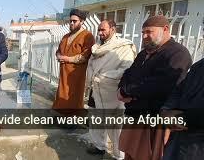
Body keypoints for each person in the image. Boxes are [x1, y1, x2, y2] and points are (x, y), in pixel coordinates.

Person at [117, 15, 192, 160]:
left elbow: (161, 85)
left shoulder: (178, 53)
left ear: (165, 29)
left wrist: (127, 91)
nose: (144, 36)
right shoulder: (143, 53)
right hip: (134, 115)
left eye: (149, 32)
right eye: (143, 32)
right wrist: (121, 88)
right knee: (130, 154)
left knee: (147, 156)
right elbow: (128, 73)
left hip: (153, 120)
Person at [86, 20, 136, 160]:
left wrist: (103, 77)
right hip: (94, 89)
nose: (100, 33)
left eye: (103, 30)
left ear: (113, 29)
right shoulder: (96, 47)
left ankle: (119, 155)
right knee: (95, 119)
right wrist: (92, 78)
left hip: (111, 92)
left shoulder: (123, 46)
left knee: (115, 127)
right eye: (99, 30)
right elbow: (90, 65)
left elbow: (126, 69)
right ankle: (99, 146)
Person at [52, 9, 95, 115]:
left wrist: (67, 59)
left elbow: (85, 55)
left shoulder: (87, 36)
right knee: (61, 97)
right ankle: (62, 119)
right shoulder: (65, 37)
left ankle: (72, 122)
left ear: (82, 21)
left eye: (74, 21)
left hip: (76, 76)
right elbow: (58, 51)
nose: (71, 23)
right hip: (63, 74)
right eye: (70, 21)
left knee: (73, 99)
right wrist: (58, 55)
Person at [161, 58, 204, 160]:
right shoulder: (199, 65)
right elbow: (179, 90)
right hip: (178, 138)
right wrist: (166, 110)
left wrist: (184, 118)